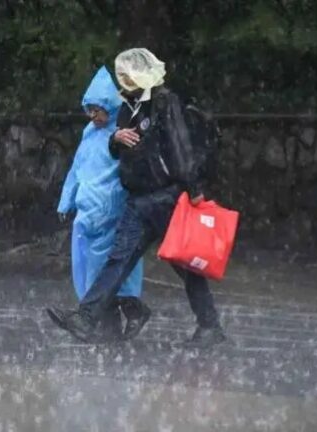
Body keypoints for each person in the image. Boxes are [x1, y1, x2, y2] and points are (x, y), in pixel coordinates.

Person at [47, 48, 227, 349]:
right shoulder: (125, 108)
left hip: (167, 198)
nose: (123, 80)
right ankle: (87, 317)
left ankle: (209, 325)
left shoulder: (163, 102)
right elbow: (120, 150)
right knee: (119, 259)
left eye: (128, 75)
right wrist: (115, 141)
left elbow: (179, 146)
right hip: (138, 200)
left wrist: (193, 189)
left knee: (186, 267)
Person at [47, 66, 150, 342]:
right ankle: (105, 323)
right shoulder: (89, 133)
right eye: (89, 110)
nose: (93, 115)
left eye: (97, 109)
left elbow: (126, 167)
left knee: (109, 269)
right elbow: (77, 168)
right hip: (87, 213)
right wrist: (66, 200)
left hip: (109, 212)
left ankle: (100, 319)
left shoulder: (122, 130)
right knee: (90, 267)